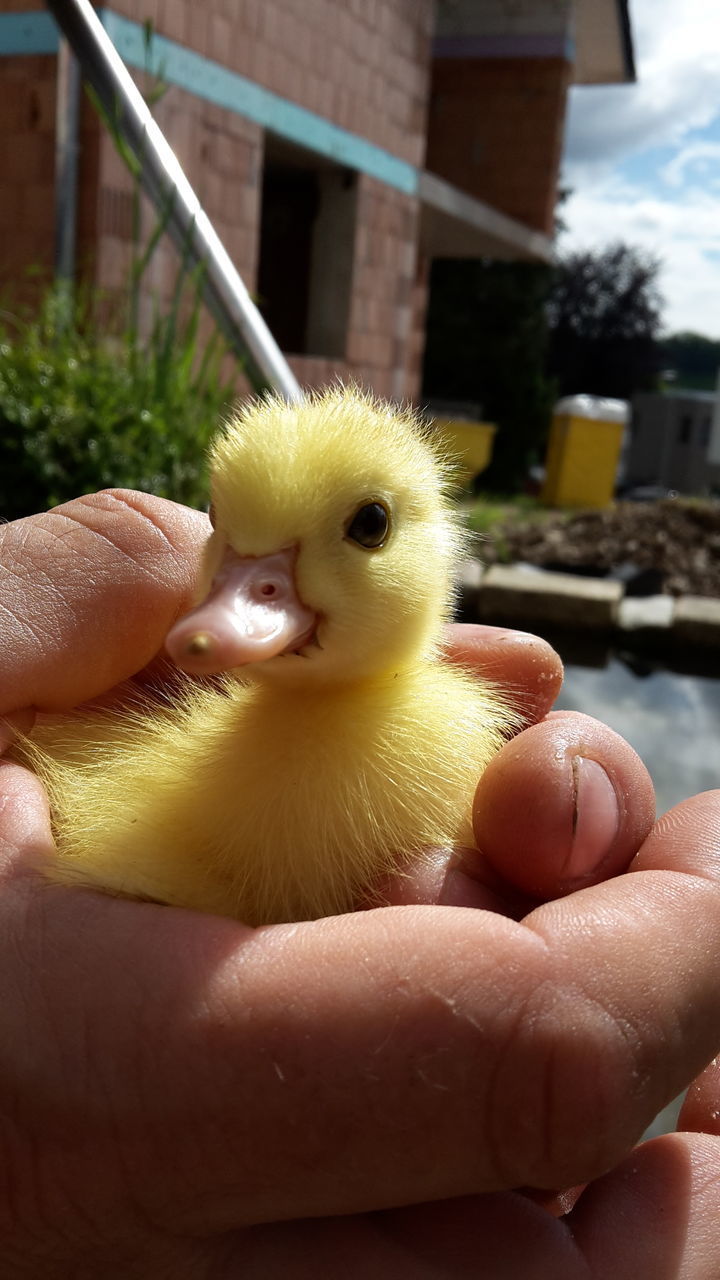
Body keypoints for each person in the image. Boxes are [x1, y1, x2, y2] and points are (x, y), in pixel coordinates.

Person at [1, 488, 719, 1278]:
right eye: (231, 538)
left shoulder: (449, 729)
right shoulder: (145, 748)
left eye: (365, 528)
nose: (256, 588)